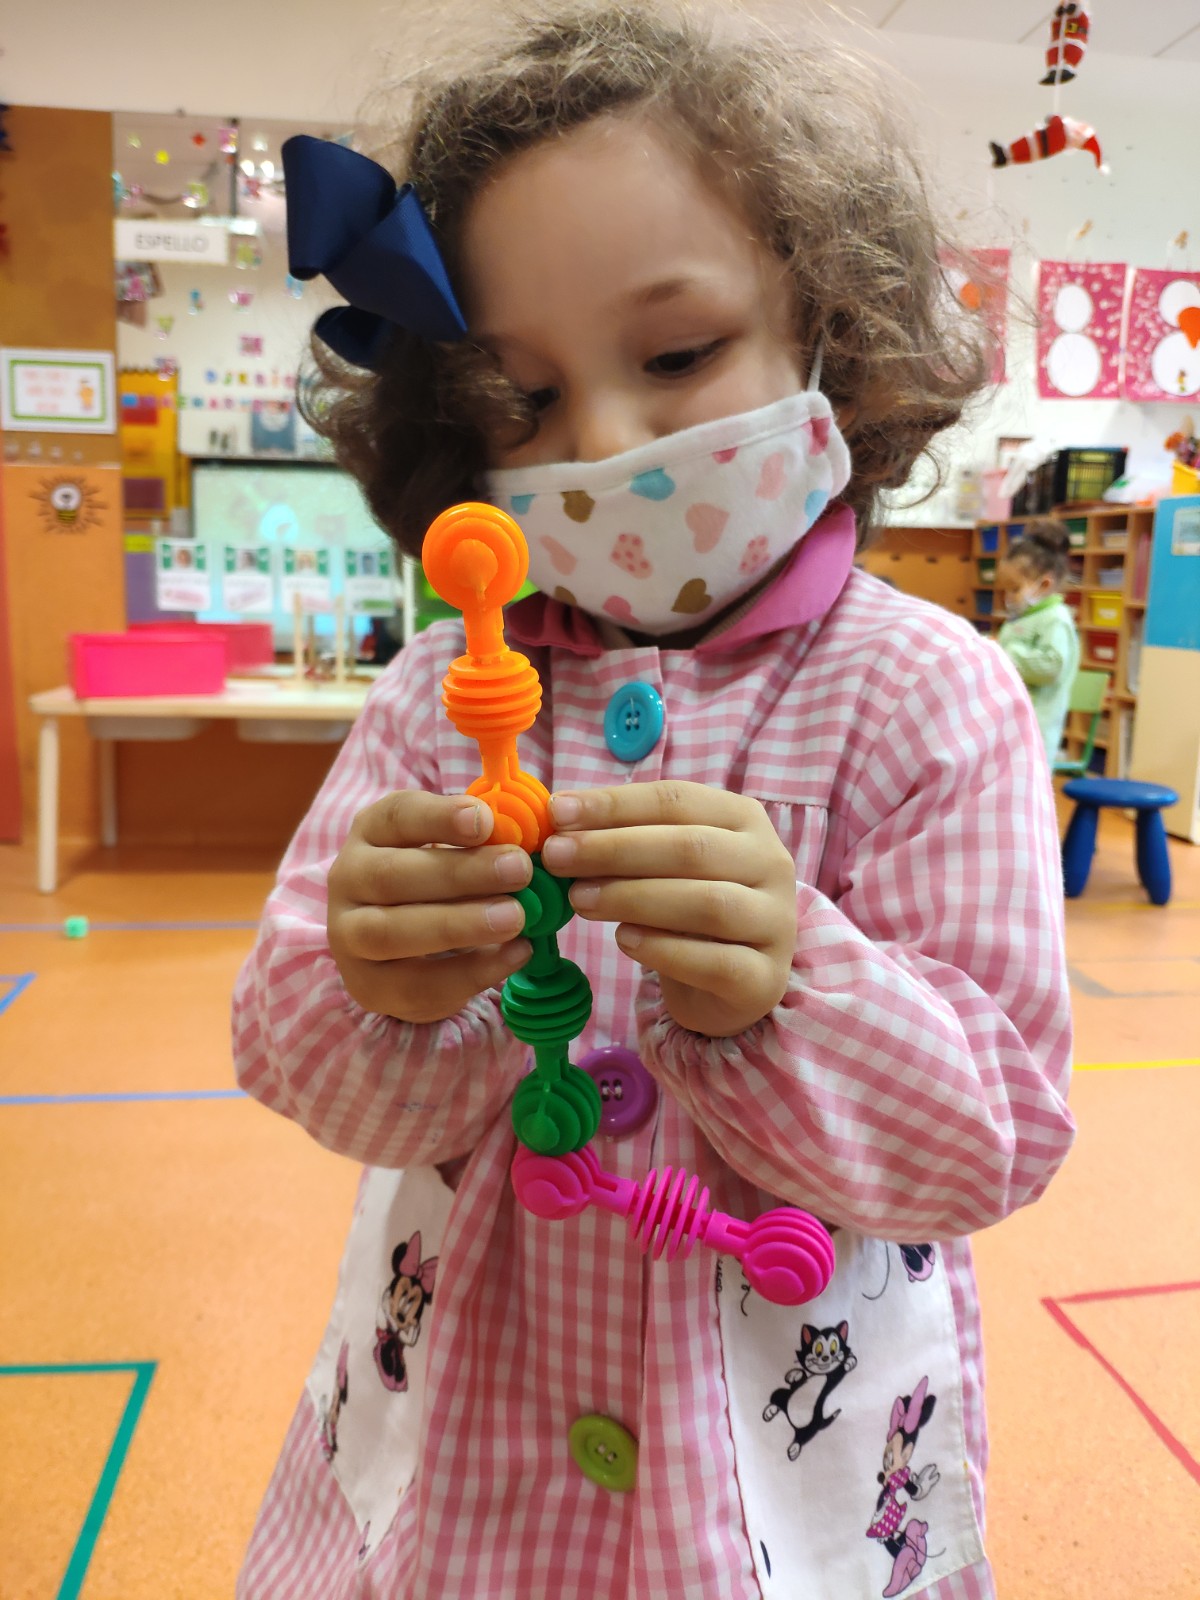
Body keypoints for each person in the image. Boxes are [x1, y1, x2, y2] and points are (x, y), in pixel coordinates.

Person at [234, 8, 1074, 1597]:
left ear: (832, 336)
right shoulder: (437, 696)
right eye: (522, 396)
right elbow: (297, 1064)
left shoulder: (928, 697)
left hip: (773, 1482)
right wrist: (376, 993)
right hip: (465, 1453)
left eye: (677, 355)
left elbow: (998, 1137)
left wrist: (794, 986)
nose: (604, 443)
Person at [996, 519, 1081, 765]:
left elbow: (1052, 666)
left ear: (1044, 584)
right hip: (1011, 724)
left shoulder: (1055, 619)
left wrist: (1004, 653)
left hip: (1035, 730)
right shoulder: (1024, 617)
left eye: (1014, 589)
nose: (1008, 597)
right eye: (1005, 589)